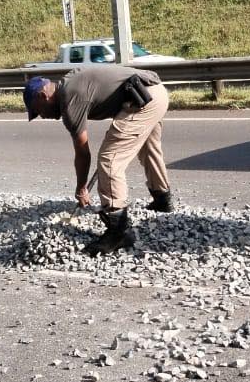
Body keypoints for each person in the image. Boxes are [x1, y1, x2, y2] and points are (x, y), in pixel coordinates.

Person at [24, 63, 174, 256]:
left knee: (110, 159)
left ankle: (118, 230)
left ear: (43, 96)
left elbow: (83, 152)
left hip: (142, 98)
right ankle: (162, 200)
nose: (42, 117)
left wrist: (81, 187)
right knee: (148, 148)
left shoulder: (69, 100)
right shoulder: (69, 82)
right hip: (154, 93)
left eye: (38, 111)